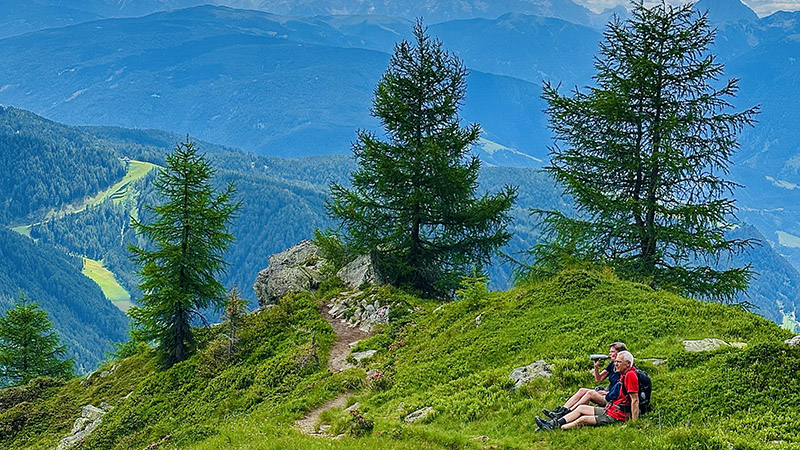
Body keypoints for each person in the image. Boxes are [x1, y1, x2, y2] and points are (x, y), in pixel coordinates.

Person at [536, 350, 639, 431]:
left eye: (618, 362)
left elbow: (635, 399)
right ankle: (553, 423)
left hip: (616, 415)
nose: (615, 364)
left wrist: (634, 423)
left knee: (582, 419)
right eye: (615, 361)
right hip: (611, 410)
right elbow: (599, 380)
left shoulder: (630, 375)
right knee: (581, 408)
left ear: (628, 363)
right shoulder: (624, 374)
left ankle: (557, 427)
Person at [541, 342, 627, 420]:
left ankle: (567, 413)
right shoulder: (612, 364)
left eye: (612, 352)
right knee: (582, 390)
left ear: (620, 353)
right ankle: (562, 410)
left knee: (590, 393)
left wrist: (607, 392)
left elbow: (621, 388)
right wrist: (596, 367)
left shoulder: (624, 368)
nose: (609, 353)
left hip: (611, 397)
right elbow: (598, 379)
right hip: (607, 392)